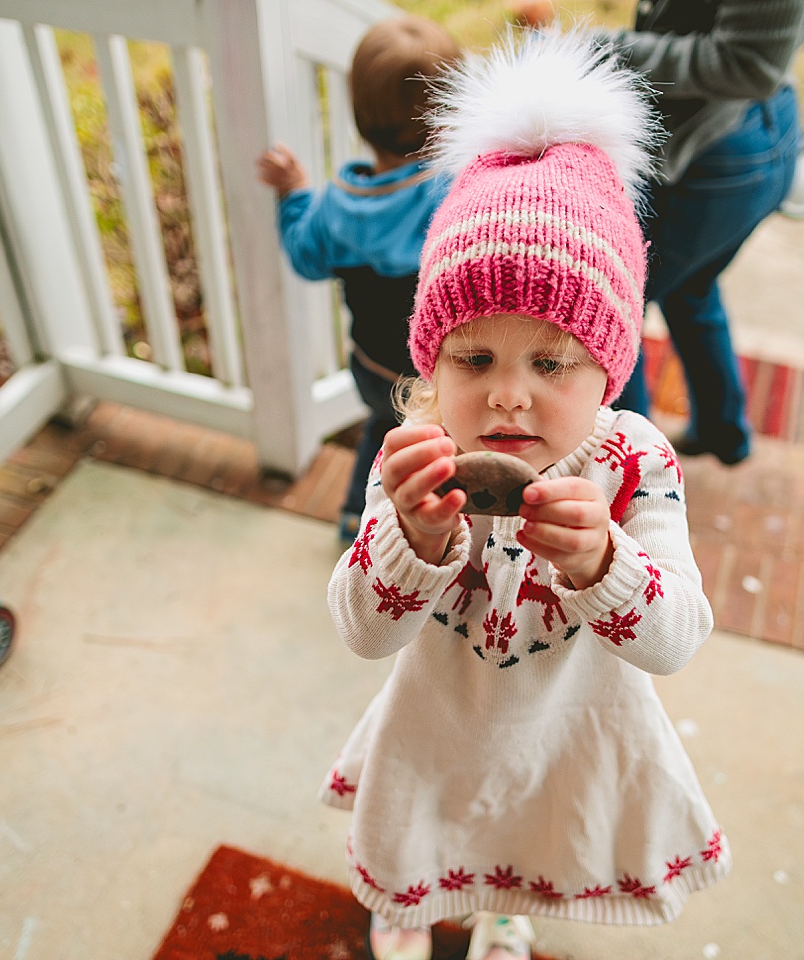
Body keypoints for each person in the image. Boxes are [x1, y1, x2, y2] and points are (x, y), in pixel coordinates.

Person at [323, 32, 725, 960]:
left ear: (610, 368)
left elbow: (678, 641)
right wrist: (411, 544)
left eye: (551, 361)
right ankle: (412, 903)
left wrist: (601, 560)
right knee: (425, 826)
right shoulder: (420, 458)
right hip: (438, 719)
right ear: (433, 359)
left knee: (519, 832)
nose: (508, 393)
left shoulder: (634, 467)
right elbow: (361, 632)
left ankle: (504, 905)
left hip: (563, 732)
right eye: (476, 359)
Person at [255, 16, 460, 545]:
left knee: (382, 430)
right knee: (444, 446)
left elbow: (305, 256)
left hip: (371, 365)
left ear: (360, 116)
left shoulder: (334, 209)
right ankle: (445, 526)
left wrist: (295, 193)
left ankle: (356, 519)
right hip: (442, 375)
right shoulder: (453, 195)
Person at [601, 0, 804, 464]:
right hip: (760, 133)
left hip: (715, 158)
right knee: (692, 289)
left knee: (617, 309)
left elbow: (748, 62)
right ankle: (723, 432)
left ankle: (633, 482)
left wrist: (602, 48)